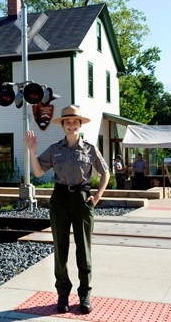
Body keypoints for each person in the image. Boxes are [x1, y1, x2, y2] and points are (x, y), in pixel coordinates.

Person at [25, 105, 109, 315]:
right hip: (60, 198)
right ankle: (62, 294)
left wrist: (98, 195)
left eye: (75, 122)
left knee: (84, 249)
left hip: (82, 198)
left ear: (80, 125)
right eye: (67, 122)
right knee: (60, 248)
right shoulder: (55, 149)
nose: (71, 125)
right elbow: (37, 171)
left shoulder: (90, 148)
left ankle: (85, 294)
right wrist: (33, 151)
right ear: (63, 125)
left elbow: (105, 172)